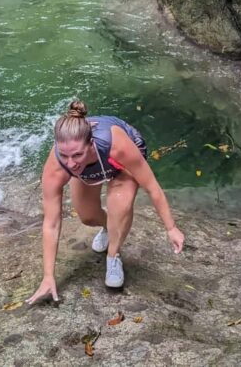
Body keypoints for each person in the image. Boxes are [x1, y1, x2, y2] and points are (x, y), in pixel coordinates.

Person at [26, 99, 185, 303]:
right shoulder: (58, 165)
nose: (71, 163)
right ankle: (108, 227)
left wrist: (171, 227)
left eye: (77, 154)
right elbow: (51, 223)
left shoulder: (117, 146)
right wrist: (48, 276)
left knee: (119, 205)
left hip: (119, 161)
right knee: (88, 216)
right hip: (90, 165)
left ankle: (113, 255)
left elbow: (152, 187)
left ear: (90, 144)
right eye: (64, 155)